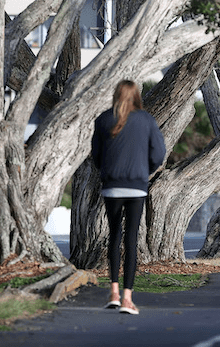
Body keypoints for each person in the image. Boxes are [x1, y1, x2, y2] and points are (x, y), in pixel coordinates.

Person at [91, 80, 166, 315]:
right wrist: (145, 171)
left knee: (114, 236)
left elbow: (96, 156)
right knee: (131, 239)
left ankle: (113, 293)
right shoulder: (146, 120)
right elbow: (159, 154)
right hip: (136, 187)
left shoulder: (103, 119)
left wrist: (108, 170)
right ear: (135, 96)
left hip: (112, 186)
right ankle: (127, 299)